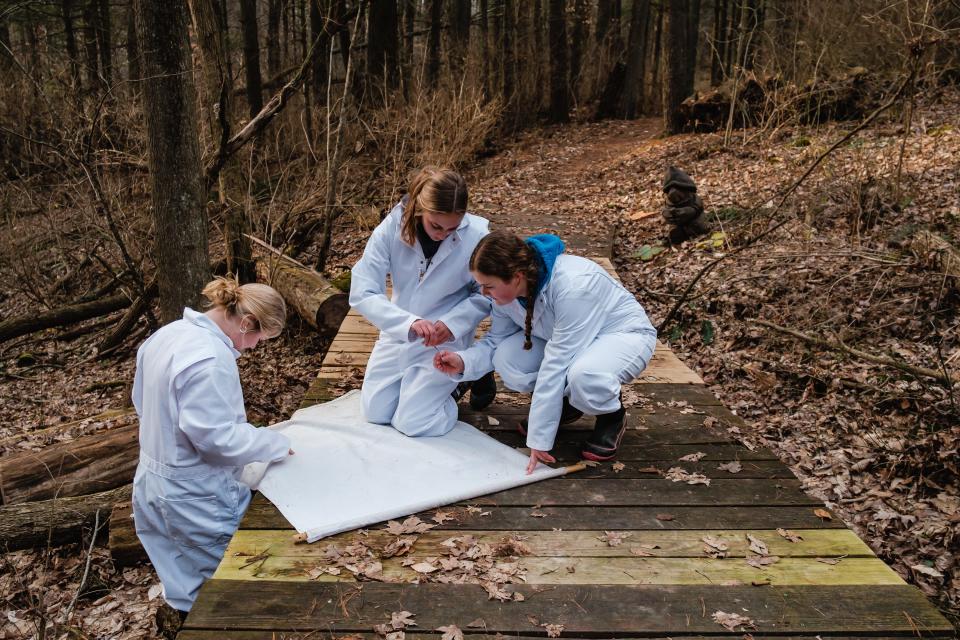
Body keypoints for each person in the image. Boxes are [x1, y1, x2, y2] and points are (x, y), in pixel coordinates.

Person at [131, 277, 294, 614]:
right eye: (259, 339)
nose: (252, 348)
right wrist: (273, 443)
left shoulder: (168, 334)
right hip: (194, 495)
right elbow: (216, 440)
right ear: (246, 322)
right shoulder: (211, 359)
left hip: (151, 479)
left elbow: (141, 401)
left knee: (182, 586)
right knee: (223, 588)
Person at [434, 230, 657, 473]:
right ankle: (567, 405)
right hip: (559, 337)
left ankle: (611, 415)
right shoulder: (507, 297)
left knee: (585, 376)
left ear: (517, 277)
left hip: (619, 335)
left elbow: (556, 364)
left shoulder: (575, 285)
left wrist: (539, 441)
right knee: (508, 359)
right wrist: (463, 361)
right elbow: (495, 341)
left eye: (489, 286)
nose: (484, 294)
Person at [350, 167, 497, 437]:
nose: (442, 234)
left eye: (452, 228)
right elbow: (364, 290)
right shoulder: (391, 229)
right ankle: (449, 380)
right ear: (419, 207)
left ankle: (464, 373)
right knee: (376, 412)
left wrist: (451, 324)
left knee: (413, 422)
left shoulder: (477, 235)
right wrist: (408, 322)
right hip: (401, 330)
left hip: (447, 338)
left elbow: (485, 293)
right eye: (436, 225)